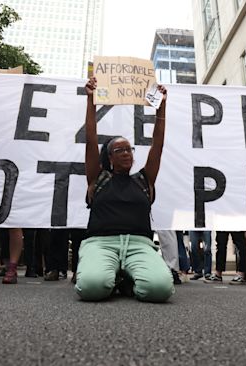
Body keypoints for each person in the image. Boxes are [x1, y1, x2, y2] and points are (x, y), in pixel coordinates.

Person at [74, 77, 173, 302]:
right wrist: (91, 101)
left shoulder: (144, 180)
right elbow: (90, 139)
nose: (127, 153)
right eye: (120, 150)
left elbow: (158, 144)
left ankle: (127, 281)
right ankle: (109, 274)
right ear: (109, 157)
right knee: (92, 288)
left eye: (129, 149)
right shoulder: (97, 178)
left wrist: (162, 106)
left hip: (139, 245)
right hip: (101, 243)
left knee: (159, 289)